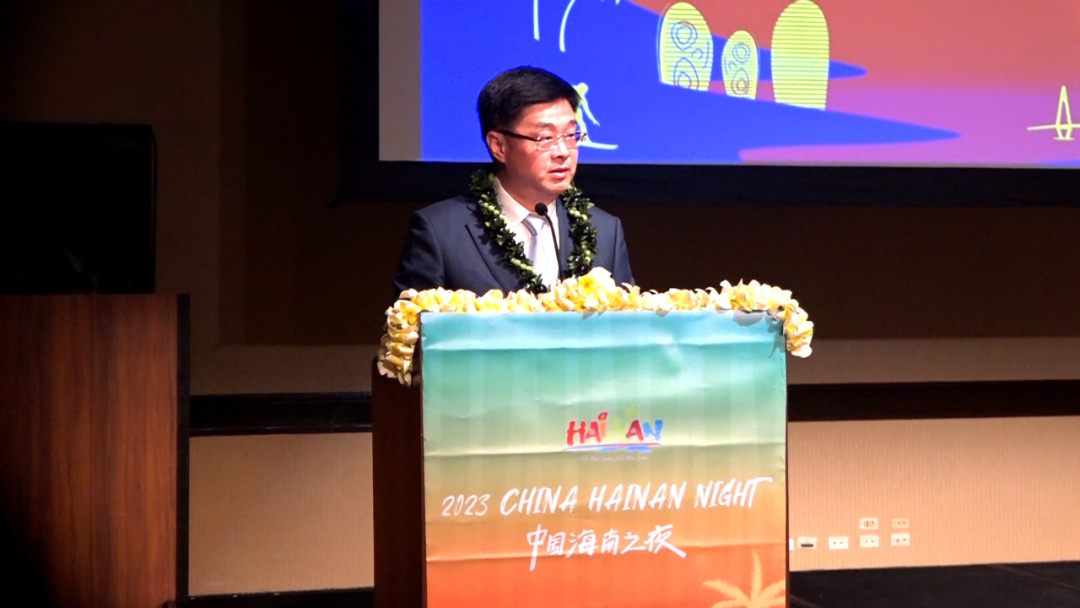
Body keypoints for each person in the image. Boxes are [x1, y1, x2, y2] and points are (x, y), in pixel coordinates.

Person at [393, 66, 634, 296]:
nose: (563, 152)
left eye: (571, 135)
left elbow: (628, 321)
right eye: (545, 138)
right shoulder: (439, 232)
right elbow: (415, 323)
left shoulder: (605, 231)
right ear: (499, 146)